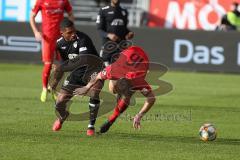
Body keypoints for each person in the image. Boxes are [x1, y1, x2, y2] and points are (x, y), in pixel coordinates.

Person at [74, 45, 156, 133]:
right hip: (129, 53)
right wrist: (86, 87)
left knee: (127, 96)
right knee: (112, 89)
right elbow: (97, 77)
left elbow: (151, 98)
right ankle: (119, 100)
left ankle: (112, 119)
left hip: (142, 60)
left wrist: (139, 115)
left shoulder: (138, 81)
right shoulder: (112, 70)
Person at [50, 18, 104, 136]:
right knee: (59, 102)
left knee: (95, 92)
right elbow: (52, 57)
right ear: (62, 33)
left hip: (93, 70)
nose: (73, 34)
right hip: (77, 73)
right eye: (69, 32)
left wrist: (61, 67)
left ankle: (91, 126)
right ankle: (63, 116)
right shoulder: (59, 43)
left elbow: (82, 61)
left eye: (74, 31)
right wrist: (54, 67)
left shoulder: (83, 39)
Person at [30, 0, 74, 102]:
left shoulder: (63, 1)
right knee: (48, 64)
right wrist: (36, 32)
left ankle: (52, 88)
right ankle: (44, 89)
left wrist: (69, 30)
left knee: (60, 66)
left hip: (60, 37)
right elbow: (32, 16)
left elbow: (71, 14)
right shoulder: (41, 1)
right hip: (48, 38)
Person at [96, 0, 134, 66]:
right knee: (106, 70)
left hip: (121, 46)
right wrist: (108, 35)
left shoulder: (124, 11)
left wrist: (129, 33)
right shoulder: (103, 10)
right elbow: (99, 29)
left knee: (120, 70)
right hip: (108, 47)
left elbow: (124, 28)